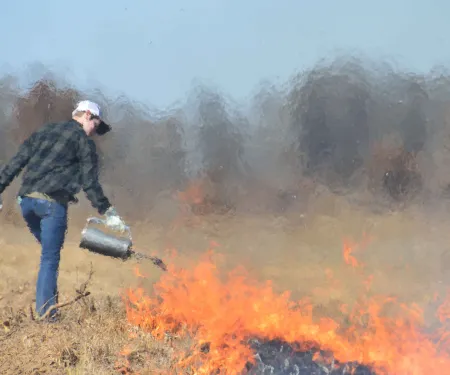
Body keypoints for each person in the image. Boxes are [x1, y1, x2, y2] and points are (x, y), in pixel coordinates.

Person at [0, 100, 127, 321]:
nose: (95, 132)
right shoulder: (83, 142)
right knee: (50, 258)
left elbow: (17, 162)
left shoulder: (45, 131)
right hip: (51, 205)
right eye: (96, 125)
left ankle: (49, 300)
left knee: (49, 253)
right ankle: (47, 315)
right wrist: (108, 212)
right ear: (87, 115)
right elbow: (90, 182)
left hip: (27, 203)